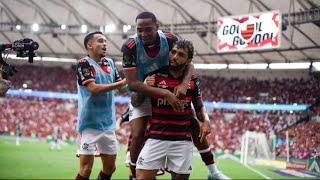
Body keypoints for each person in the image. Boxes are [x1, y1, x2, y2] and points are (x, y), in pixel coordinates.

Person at [122, 11, 227, 179]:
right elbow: (134, 85)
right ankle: (133, 173)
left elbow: (189, 63)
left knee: (193, 123)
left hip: (168, 89)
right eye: (139, 30)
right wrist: (166, 93)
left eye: (148, 29)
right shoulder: (130, 46)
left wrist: (184, 83)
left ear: (157, 27)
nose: (143, 34)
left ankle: (213, 171)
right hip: (142, 88)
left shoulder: (170, 40)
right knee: (138, 133)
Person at [135, 39, 211, 179]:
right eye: (173, 52)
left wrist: (205, 121)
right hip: (156, 137)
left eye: (181, 54)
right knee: (141, 177)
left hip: (182, 140)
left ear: (189, 60)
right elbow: (135, 102)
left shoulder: (193, 81)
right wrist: (145, 86)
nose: (175, 56)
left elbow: (199, 106)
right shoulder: (155, 74)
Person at [75, 31, 126, 180]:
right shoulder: (84, 63)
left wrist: (137, 82)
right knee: (85, 169)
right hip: (89, 124)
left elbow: (121, 87)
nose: (105, 44)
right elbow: (93, 88)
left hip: (108, 124)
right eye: (100, 41)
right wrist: (123, 82)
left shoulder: (109, 63)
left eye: (105, 41)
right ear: (89, 45)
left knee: (110, 167)